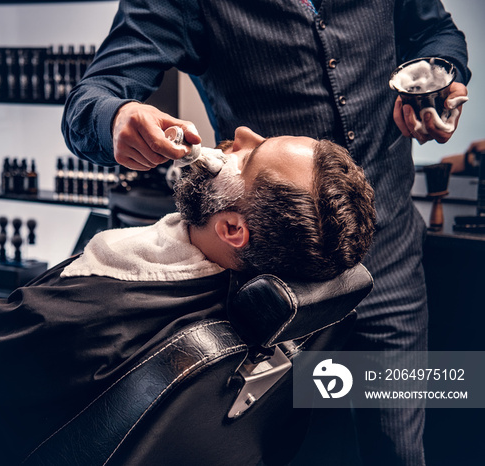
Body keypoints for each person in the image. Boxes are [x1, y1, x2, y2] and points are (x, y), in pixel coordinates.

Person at [0, 129, 375, 466]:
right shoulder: (288, 294)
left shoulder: (102, 311)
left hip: (5, 431)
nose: (236, 140)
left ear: (231, 231)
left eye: (246, 158)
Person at [61, 1, 470, 464]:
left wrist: (443, 79)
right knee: (278, 450)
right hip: (274, 290)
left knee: (397, 449)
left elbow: (438, 35)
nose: (242, 135)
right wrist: (115, 116)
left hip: (390, 257)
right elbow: (90, 99)